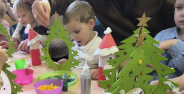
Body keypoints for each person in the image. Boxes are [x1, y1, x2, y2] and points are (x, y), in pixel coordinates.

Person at [30, 0, 175, 45]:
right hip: (121, 59)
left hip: (161, 61)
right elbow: (63, 2)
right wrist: (45, 2)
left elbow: (177, 34)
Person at [58, 1, 102, 79]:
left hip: (90, 87)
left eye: (77, 31)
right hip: (75, 85)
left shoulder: (100, 46)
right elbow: (74, 66)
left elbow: (109, 69)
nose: (73, 37)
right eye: (70, 33)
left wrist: (100, 72)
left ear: (90, 24)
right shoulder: (74, 45)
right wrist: (67, 63)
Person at [150, 0, 184, 80]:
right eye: (179, 7)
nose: (182, 13)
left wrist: (174, 44)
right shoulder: (163, 35)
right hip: (150, 88)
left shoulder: (169, 42)